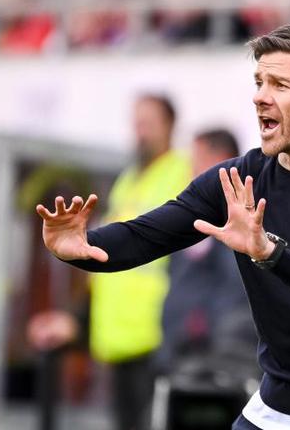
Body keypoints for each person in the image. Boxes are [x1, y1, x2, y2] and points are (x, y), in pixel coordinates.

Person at [37, 23, 290, 430]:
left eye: (280, 85)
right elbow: (145, 236)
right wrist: (80, 246)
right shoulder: (241, 177)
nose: (260, 96)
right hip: (277, 405)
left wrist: (269, 252)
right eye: (259, 82)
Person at [30, 93, 191, 430]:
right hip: (118, 336)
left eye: (148, 124)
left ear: (170, 126)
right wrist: (77, 319)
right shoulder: (128, 181)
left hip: (157, 338)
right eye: (137, 124)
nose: (140, 132)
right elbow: (105, 258)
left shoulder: (182, 173)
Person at [156, 128, 257, 375]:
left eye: (197, 162)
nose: (190, 173)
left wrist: (202, 336)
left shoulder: (239, 225)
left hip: (212, 366)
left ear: (220, 162)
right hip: (179, 357)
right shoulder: (194, 219)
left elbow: (236, 295)